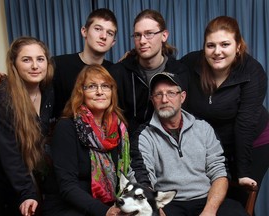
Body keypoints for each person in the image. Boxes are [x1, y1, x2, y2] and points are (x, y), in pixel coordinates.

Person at [129, 72, 248, 215]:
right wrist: (155, 209)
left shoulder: (203, 128)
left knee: (236, 212)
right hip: (168, 202)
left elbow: (219, 173)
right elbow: (142, 179)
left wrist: (210, 210)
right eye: (158, 95)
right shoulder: (144, 135)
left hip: (205, 198)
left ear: (182, 97)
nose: (165, 99)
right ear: (152, 100)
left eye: (171, 93)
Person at [180, 16, 269, 189]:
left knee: (240, 201)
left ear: (238, 47)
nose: (217, 51)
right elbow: (165, 69)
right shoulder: (190, 63)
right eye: (211, 45)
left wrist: (243, 173)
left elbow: (246, 124)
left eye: (225, 44)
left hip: (253, 141)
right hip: (214, 146)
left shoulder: (253, 71)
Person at [0, 8, 118, 119]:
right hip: (61, 136)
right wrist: (3, 79)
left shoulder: (115, 71)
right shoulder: (57, 64)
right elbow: (29, 80)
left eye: (109, 33)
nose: (103, 36)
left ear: (113, 42)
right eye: (98, 29)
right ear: (84, 31)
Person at [42, 64, 130, 216]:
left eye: (105, 86)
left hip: (108, 204)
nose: (100, 92)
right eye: (91, 86)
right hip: (69, 207)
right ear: (80, 92)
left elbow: (127, 174)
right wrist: (105, 211)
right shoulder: (66, 127)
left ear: (112, 92)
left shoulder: (118, 129)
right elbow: (67, 187)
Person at [0, 36, 54, 216]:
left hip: (20, 176)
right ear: (14, 64)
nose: (35, 66)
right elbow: (10, 152)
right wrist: (27, 192)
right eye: (26, 60)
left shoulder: (48, 91)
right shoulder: (1, 97)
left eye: (40, 59)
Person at [109, 9, 189, 137]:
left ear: (164, 35)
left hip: (166, 146)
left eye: (149, 34)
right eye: (137, 35)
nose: (142, 41)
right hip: (128, 148)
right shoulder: (119, 73)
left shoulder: (180, 72)